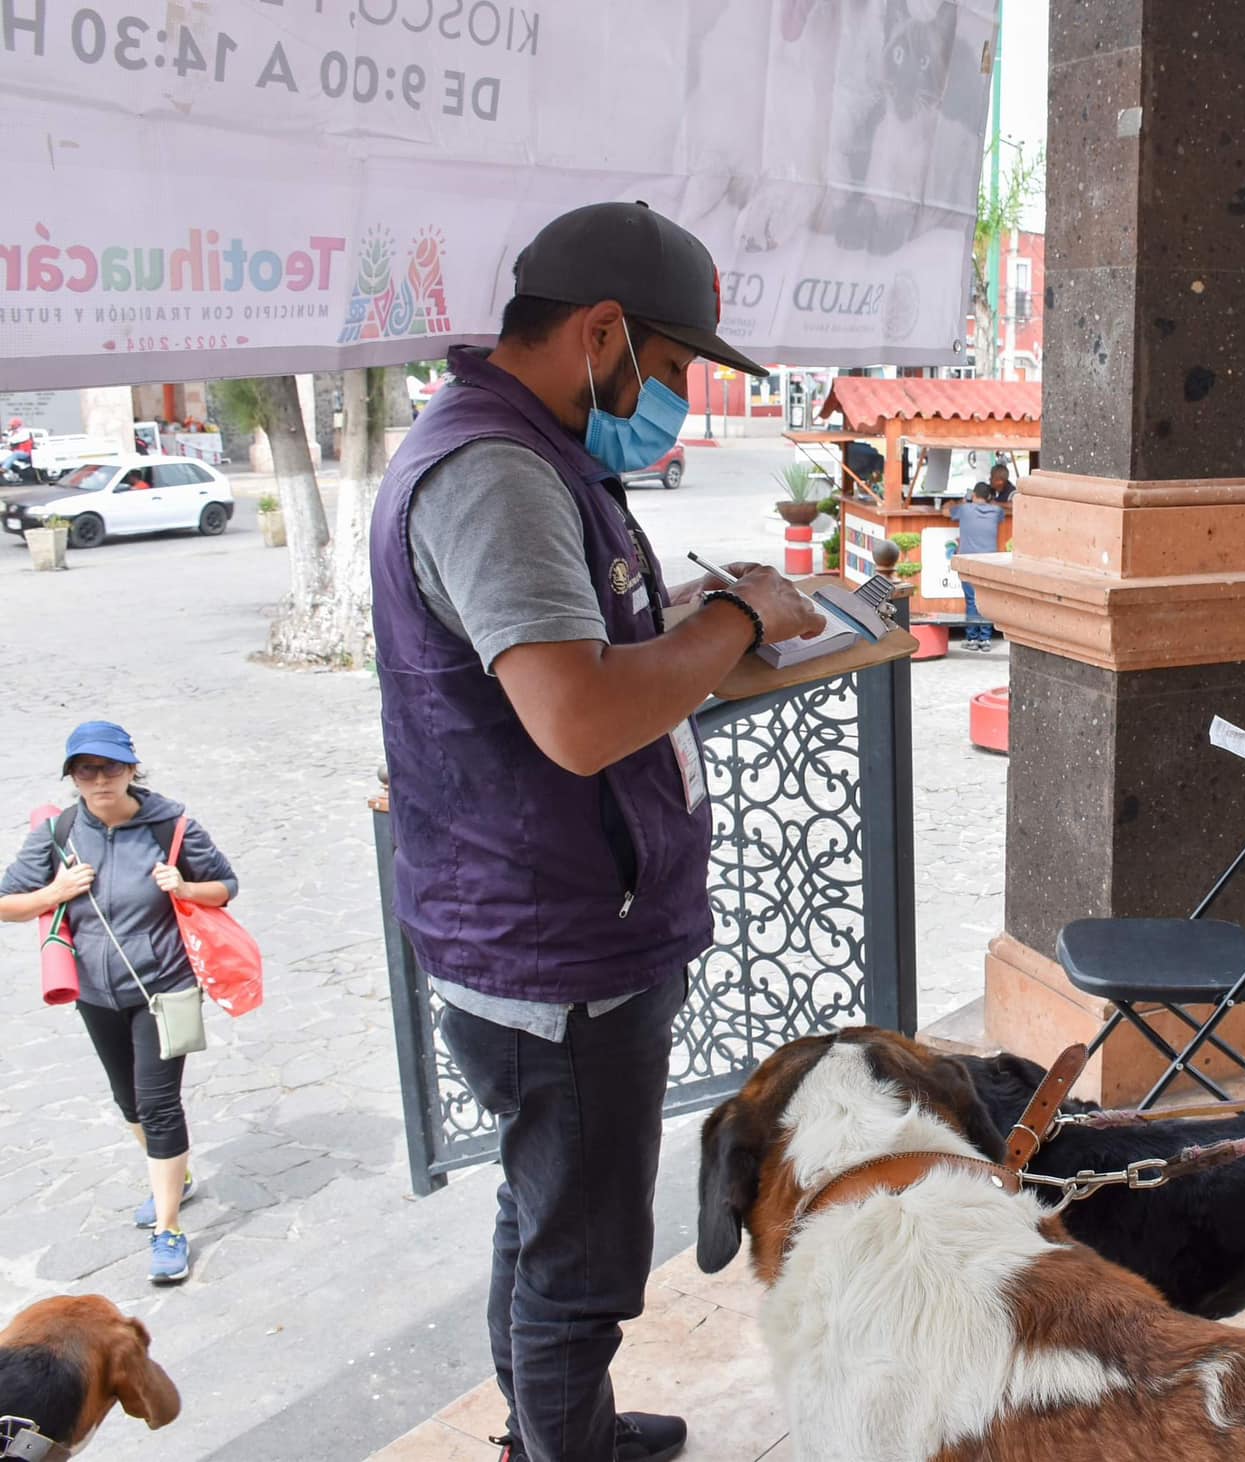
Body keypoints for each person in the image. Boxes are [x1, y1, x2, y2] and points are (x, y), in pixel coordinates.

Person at [369, 202, 822, 1462]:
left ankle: (557, 1432)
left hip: (551, 925)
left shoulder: (539, 453)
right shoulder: (496, 473)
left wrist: (689, 613)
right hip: (554, 953)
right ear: (603, 332)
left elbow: (564, 652)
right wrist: (734, 625)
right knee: (581, 1265)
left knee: (542, 1213)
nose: (675, 396)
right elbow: (573, 717)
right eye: (672, 367)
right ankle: (564, 1438)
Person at [0, 721, 240, 1287]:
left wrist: (181, 887)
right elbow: (6, 901)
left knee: (158, 1105)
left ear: (132, 769)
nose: (100, 779)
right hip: (94, 992)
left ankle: (168, 1229)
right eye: (87, 770)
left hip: (165, 987)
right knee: (126, 1100)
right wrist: (55, 893)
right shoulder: (60, 833)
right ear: (73, 778)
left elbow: (226, 886)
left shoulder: (171, 826)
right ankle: (173, 1178)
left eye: (111, 767)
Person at [948, 481, 1007, 651]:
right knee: (987, 598)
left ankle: (972, 638)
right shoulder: (997, 511)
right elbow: (1001, 515)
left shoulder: (965, 510)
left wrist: (962, 502)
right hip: (990, 561)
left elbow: (946, 511)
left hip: (968, 562)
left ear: (973, 495)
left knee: (972, 600)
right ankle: (986, 639)